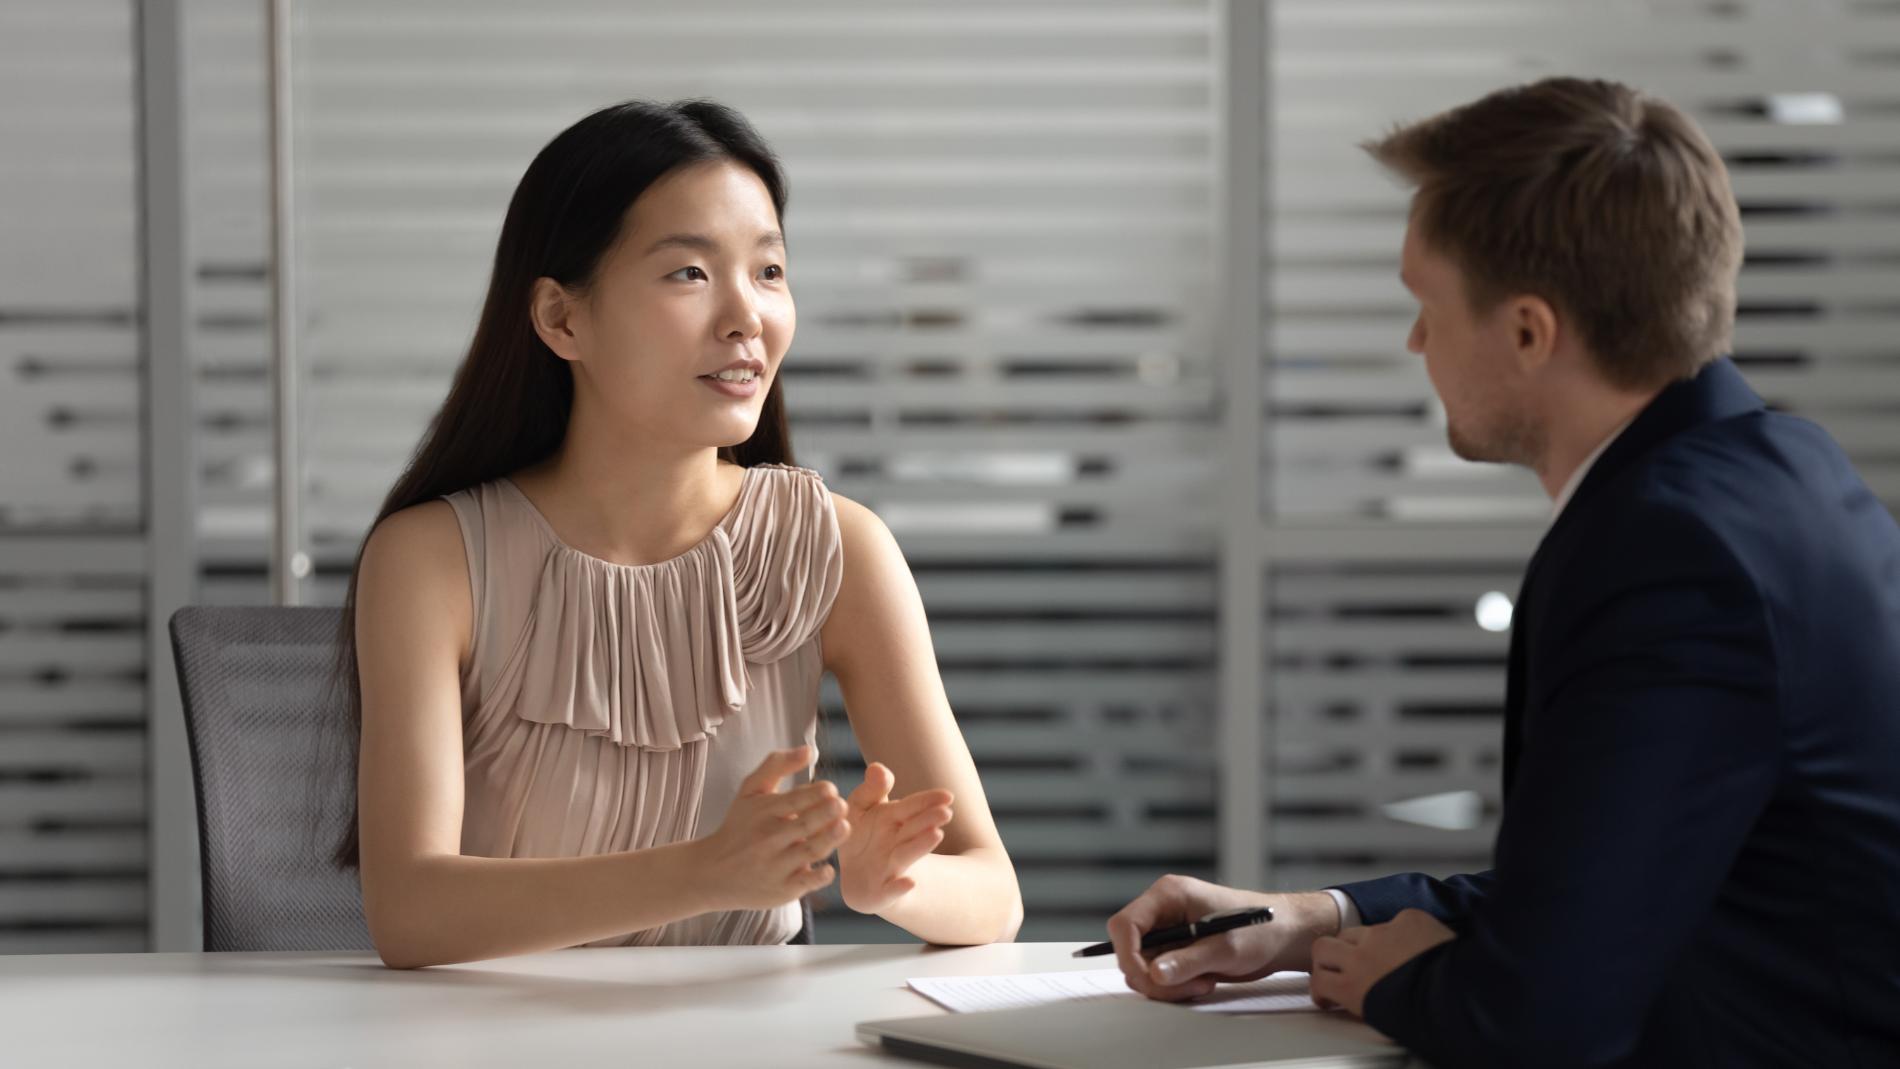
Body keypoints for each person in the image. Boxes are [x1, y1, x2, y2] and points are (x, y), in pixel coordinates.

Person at [1108, 78, 1900, 1068]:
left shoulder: (1667, 555)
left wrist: (1393, 981)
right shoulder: (1780, 469)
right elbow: (1611, 881)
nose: (1414, 342)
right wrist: (1314, 919)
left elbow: (1538, 1021)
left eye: (1424, 304)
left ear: (1528, 332)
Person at [338, 100, 1022, 968]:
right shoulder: (432, 560)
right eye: (690, 274)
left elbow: (994, 891)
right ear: (561, 320)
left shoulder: (839, 549)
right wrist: (705, 872)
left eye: (769, 271)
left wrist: (893, 885)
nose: (747, 317)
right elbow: (409, 911)